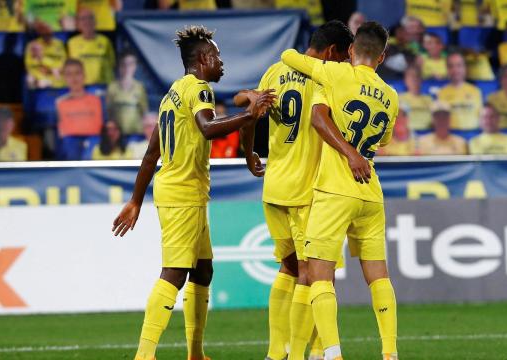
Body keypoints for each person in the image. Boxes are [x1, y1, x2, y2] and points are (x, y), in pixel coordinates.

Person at [111, 25, 275, 360]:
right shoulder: (199, 90)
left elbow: (151, 153)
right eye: (217, 55)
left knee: (203, 270)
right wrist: (248, 114)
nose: (221, 62)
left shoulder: (172, 93)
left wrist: (135, 200)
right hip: (182, 193)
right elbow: (208, 128)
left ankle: (196, 353)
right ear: (202, 59)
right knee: (175, 271)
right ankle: (144, 354)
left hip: (186, 192)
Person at [235, 20, 354, 360]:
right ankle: (305, 352)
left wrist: (248, 154)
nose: (343, 65)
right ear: (331, 53)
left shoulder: (275, 70)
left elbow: (249, 109)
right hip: (309, 192)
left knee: (288, 269)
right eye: (343, 58)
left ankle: (279, 351)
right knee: (314, 275)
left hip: (274, 188)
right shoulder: (323, 77)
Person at [281, 21, 399, 360]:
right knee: (378, 275)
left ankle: (332, 354)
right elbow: (385, 139)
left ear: (350, 51)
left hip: (335, 190)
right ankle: (390, 353)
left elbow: (289, 57)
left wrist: (349, 154)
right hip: (371, 193)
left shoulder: (334, 75)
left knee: (319, 275)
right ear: (382, 56)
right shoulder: (391, 96)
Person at [56, 59, 103, 137]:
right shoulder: (60, 103)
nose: (74, 77)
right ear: (64, 78)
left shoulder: (97, 100)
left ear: (84, 75)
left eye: (77, 73)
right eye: (69, 74)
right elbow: (61, 133)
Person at [68, 8, 115, 85]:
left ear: (95, 21)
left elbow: (112, 63)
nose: (87, 21)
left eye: (90, 18)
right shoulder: (71, 43)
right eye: (83, 19)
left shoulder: (106, 41)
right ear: (78, 23)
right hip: (82, 88)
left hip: (103, 86)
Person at [437, 52, 483, 130]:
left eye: (459, 65)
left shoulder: (475, 91)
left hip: (472, 135)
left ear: (465, 68)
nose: (455, 70)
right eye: (451, 66)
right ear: (447, 69)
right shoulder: (441, 93)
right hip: (451, 137)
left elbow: (481, 118)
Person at [106, 51, 148, 134]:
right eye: (123, 64)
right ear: (119, 66)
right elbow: (108, 112)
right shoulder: (112, 87)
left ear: (135, 66)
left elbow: (144, 112)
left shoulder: (140, 88)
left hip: (136, 133)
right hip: (118, 135)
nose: (127, 68)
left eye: (130, 64)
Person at [25, 21, 67, 88]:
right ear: (40, 34)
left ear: (52, 33)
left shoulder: (59, 44)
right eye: (44, 34)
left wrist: (44, 61)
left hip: (56, 75)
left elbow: (63, 63)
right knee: (30, 79)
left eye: (49, 34)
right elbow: (29, 66)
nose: (47, 36)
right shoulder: (32, 45)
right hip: (40, 77)